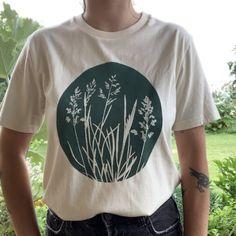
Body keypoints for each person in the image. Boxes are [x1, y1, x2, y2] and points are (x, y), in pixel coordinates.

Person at [0, 0, 220, 235]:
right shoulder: (44, 46)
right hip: (69, 228)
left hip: (154, 226)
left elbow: (193, 155)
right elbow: (9, 151)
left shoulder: (174, 41)